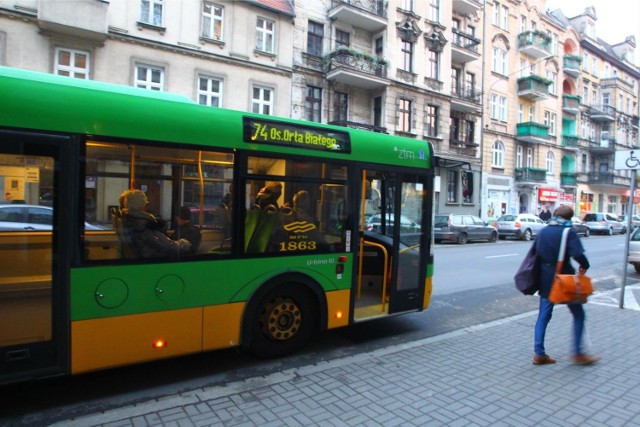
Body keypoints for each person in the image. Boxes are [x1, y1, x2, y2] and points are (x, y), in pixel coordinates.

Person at [532, 205, 599, 366]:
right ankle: (578, 353)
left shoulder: (544, 231)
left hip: (546, 278)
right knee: (578, 314)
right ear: (569, 218)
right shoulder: (568, 232)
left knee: (544, 315)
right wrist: (585, 265)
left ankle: (539, 353)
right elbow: (577, 254)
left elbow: (536, 253)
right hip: (564, 279)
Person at [120, 189, 191, 258]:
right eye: (145, 204)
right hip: (153, 260)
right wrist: (184, 243)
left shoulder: (128, 220)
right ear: (142, 205)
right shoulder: (143, 225)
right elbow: (169, 246)